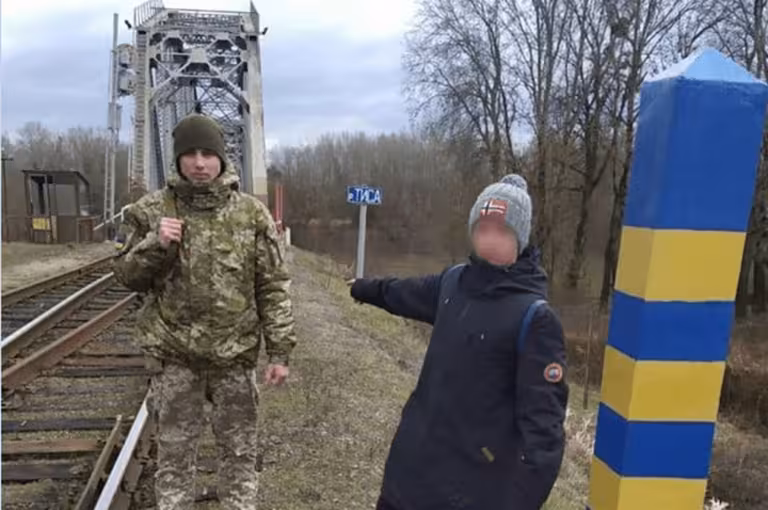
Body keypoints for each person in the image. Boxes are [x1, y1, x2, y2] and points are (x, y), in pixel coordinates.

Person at [349, 174, 568, 510]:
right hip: (408, 475)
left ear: (520, 238)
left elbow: (544, 437)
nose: (490, 240)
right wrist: (362, 288)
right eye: (483, 229)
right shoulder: (453, 283)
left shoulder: (535, 318)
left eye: (502, 231)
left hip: (469, 490)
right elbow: (401, 292)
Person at [113, 114, 297, 510]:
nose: (199, 163)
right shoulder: (151, 211)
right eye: (190, 154)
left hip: (235, 360)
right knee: (175, 459)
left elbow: (273, 286)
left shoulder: (251, 214)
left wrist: (279, 353)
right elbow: (126, 277)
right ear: (178, 158)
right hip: (176, 360)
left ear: (221, 158)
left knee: (240, 456)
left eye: (208, 154)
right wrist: (155, 244)